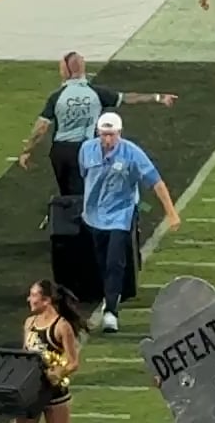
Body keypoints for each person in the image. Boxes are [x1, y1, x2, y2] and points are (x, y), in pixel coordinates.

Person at [19, 53, 176, 197]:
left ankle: (69, 221)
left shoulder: (57, 97)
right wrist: (157, 97)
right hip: (88, 149)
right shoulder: (96, 93)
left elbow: (41, 128)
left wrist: (27, 150)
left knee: (67, 193)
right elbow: (129, 98)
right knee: (90, 189)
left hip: (62, 151)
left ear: (66, 71)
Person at [78, 113, 180, 333]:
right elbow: (84, 175)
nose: (107, 140)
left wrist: (171, 212)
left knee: (115, 262)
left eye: (111, 135)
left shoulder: (132, 154)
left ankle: (111, 311)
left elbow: (156, 182)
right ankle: (107, 296)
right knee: (101, 262)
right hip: (94, 214)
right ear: (97, 133)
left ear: (119, 133)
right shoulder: (86, 149)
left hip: (120, 215)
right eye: (104, 135)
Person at [20, 279, 82, 422]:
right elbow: (25, 355)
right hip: (31, 388)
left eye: (33, 295)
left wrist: (58, 373)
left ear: (46, 300)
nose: (29, 299)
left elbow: (73, 362)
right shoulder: (29, 323)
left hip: (54, 392)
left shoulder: (62, 326)